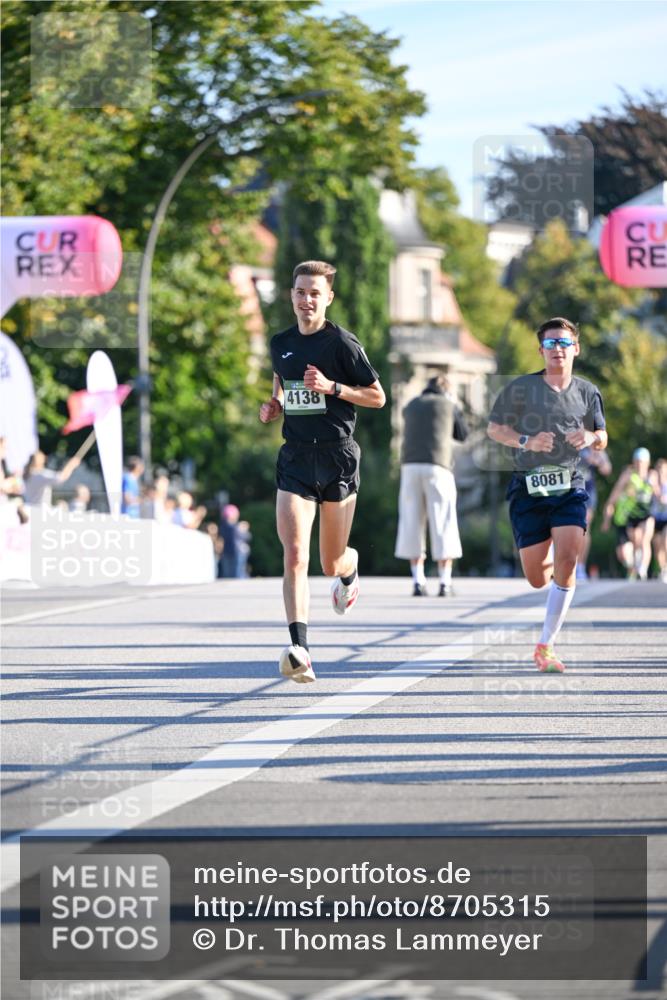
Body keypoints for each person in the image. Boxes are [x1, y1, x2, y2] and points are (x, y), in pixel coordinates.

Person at [259, 259, 385, 683]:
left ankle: (349, 574)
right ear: (290, 296)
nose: (306, 299)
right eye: (300, 292)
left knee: (330, 561)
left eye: (315, 293)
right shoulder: (280, 342)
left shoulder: (342, 345)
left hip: (338, 457)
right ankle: (301, 650)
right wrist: (274, 403)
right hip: (295, 456)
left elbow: (377, 396)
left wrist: (333, 388)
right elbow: (281, 378)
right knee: (295, 555)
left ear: (328, 297)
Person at [487, 317, 608, 674]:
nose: (558, 349)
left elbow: (602, 435)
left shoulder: (587, 391)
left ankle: (546, 645)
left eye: (564, 343)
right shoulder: (521, 388)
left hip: (570, 485)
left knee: (569, 557)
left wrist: (590, 438)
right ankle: (552, 570)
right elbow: (495, 429)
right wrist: (526, 440)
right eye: (551, 344)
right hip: (529, 488)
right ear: (541, 350)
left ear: (576, 349)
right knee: (537, 578)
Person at [394, 374, 468, 596]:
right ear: (446, 389)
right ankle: (445, 582)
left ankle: (418, 581)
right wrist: (454, 404)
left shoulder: (410, 406)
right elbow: (462, 435)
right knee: (443, 521)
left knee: (411, 522)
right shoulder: (448, 404)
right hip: (438, 467)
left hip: (409, 467)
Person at [601, 447, 656, 580]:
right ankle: (632, 566)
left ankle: (642, 569)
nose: (640, 465)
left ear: (647, 462)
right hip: (628, 516)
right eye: (637, 461)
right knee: (624, 554)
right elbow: (614, 496)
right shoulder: (628, 475)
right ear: (634, 462)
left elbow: (660, 493)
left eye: (642, 462)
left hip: (646, 514)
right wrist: (607, 519)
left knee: (644, 540)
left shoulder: (652, 475)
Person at [576, 445, 612, 580]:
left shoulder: (593, 445)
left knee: (584, 529)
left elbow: (607, 469)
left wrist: (599, 460)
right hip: (566, 490)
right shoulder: (566, 441)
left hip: (587, 492)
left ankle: (580, 566)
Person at [650, 458, 667, 583]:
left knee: (665, 542)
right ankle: (663, 569)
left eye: (663, 470)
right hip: (656, 518)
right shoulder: (652, 484)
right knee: (657, 546)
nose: (661, 472)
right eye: (659, 470)